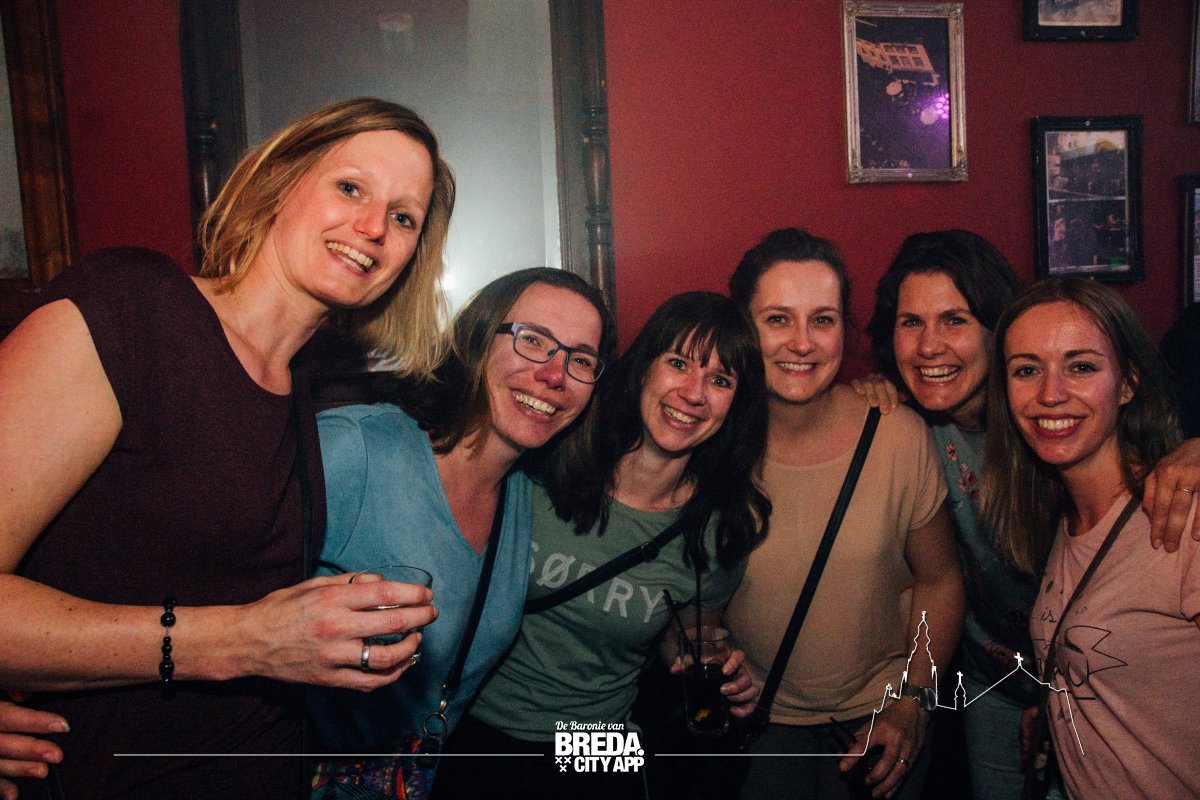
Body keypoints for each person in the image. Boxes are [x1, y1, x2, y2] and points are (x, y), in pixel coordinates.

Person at [0, 98, 452, 799]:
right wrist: (245, 640)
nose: (372, 228)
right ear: (279, 182)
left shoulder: (301, 381)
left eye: (403, 218)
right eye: (350, 188)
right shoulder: (133, 310)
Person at [432, 291, 769, 800]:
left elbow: (687, 635)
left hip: (600, 739)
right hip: (479, 724)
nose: (694, 394)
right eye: (678, 363)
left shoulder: (717, 529)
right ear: (644, 368)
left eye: (720, 380)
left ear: (735, 405)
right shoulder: (548, 460)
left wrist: (710, 663)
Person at [309, 267, 615, 795]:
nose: (555, 374)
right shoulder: (354, 449)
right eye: (533, 340)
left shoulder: (522, 494)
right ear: (477, 337)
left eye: (581, 360)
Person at [726, 228, 964, 800]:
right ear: (743, 328)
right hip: (758, 725)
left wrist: (913, 701)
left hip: (878, 723)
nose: (802, 343)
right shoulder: (713, 441)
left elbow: (940, 579)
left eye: (823, 320)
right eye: (777, 319)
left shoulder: (897, 435)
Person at [983, 277, 1200, 799]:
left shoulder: (1183, 518)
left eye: (1081, 367)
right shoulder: (1066, 520)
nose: (1050, 393)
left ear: (1127, 383)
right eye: (1027, 370)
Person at [863, 230, 1038, 800]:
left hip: (1091, 679)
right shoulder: (907, 428)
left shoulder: (1050, 420)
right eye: (911, 322)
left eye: (955, 320)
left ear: (999, 331)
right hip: (992, 681)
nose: (929, 346)